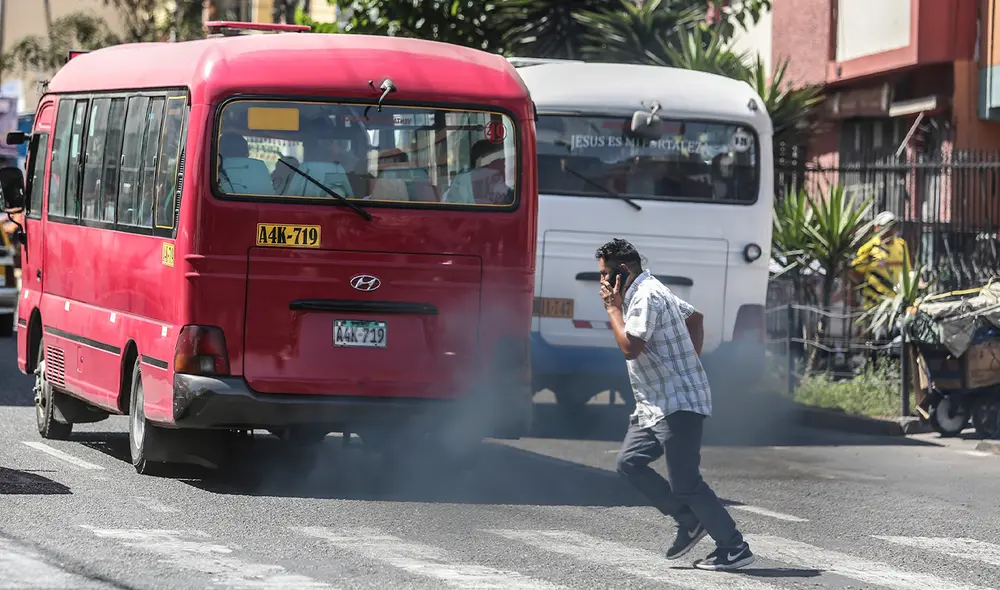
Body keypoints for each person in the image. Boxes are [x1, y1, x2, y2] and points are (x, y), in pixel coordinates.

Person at [596, 238, 754, 571]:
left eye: (606, 275)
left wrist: (612, 310)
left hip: (677, 402)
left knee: (685, 482)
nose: (603, 283)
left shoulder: (645, 296)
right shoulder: (650, 288)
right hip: (655, 403)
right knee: (629, 463)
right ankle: (689, 521)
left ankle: (734, 546)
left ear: (622, 271)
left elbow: (630, 348)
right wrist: (686, 363)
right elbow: (695, 318)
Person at [849, 211, 911, 311]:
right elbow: (855, 272)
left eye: (892, 226)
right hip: (875, 304)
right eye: (885, 226)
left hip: (898, 304)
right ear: (877, 228)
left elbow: (908, 271)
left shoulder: (902, 245)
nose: (889, 229)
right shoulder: (869, 247)